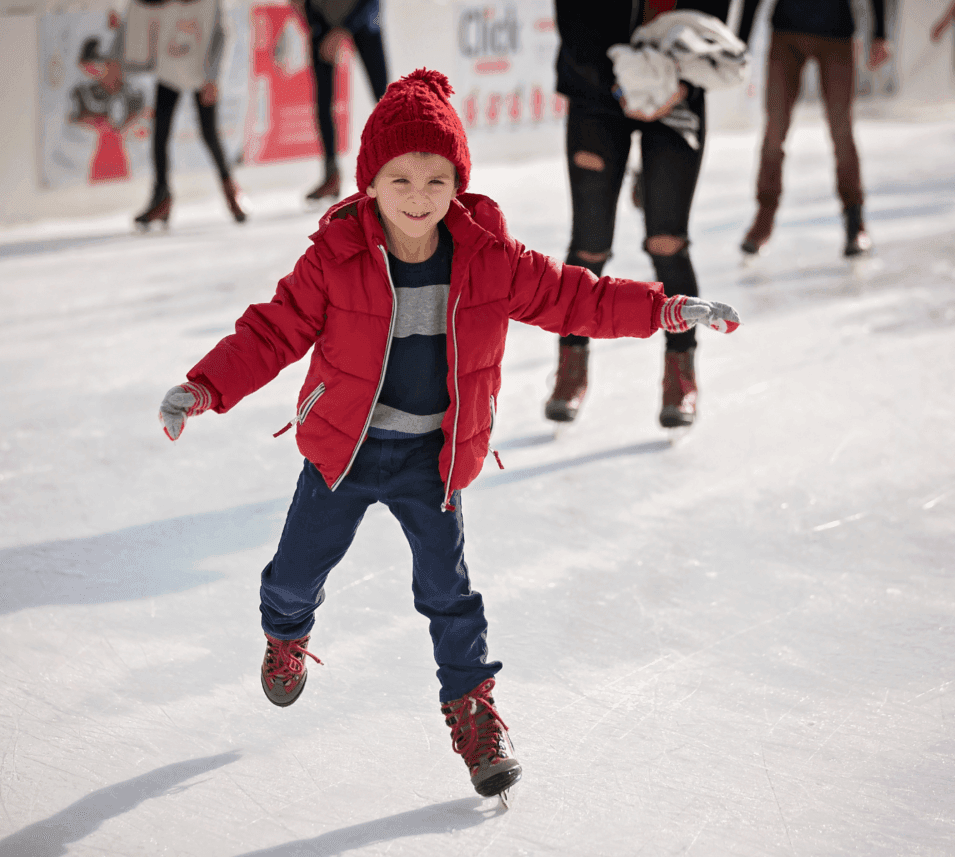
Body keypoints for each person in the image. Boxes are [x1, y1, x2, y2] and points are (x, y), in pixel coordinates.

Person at [156, 69, 740, 798]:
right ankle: (285, 637)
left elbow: (574, 297)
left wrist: (666, 310)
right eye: (400, 177)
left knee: (449, 593)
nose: (418, 196)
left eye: (437, 179)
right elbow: (272, 330)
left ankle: (474, 708)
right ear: (370, 181)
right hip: (346, 452)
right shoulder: (334, 258)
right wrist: (204, 385)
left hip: (434, 458)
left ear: (457, 182)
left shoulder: (488, 256)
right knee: (292, 575)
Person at [546, 0, 737, 430]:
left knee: (667, 241)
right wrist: (617, 88)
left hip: (678, 92)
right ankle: (571, 368)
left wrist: (680, 87)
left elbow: (712, 20)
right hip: (595, 94)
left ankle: (680, 376)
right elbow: (574, 21)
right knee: (589, 244)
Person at [737, 0, 890, 259]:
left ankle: (855, 221)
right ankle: (763, 219)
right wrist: (740, 42)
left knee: (842, 130)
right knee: (775, 129)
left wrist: (880, 34)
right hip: (786, 32)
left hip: (837, 33)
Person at [108, 0, 248, 228]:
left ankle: (231, 189)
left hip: (201, 72)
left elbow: (222, 35)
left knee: (209, 133)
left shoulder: (210, 4)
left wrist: (214, 78)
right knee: (160, 134)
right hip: (170, 70)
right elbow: (135, 16)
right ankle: (161, 196)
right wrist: (116, 59)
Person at [290, 0, 389, 203]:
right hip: (323, 20)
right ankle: (331, 175)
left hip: (363, 18)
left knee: (384, 100)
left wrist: (343, 31)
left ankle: (399, 167)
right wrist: (311, 18)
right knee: (323, 101)